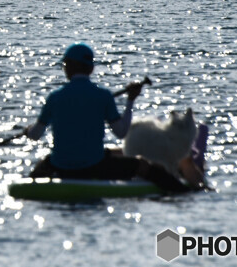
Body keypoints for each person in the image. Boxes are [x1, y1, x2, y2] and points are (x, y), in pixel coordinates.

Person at [24, 43, 194, 193]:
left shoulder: (54, 97)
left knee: (41, 166)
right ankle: (184, 191)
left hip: (60, 166)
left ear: (67, 67)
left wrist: (27, 131)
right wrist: (130, 101)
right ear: (90, 69)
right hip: (95, 166)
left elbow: (35, 135)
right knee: (142, 165)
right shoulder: (103, 96)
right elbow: (121, 133)